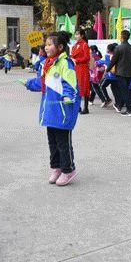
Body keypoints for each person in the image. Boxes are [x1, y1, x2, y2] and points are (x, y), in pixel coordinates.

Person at [37, 31, 80, 186]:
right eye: (46, 44)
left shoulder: (65, 63)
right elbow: (42, 83)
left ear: (60, 47)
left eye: (49, 44)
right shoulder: (48, 63)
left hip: (62, 110)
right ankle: (56, 167)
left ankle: (68, 169)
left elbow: (71, 83)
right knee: (52, 142)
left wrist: (68, 96)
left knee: (63, 142)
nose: (46, 47)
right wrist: (29, 84)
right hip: (50, 110)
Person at [105, 30, 131, 117]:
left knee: (124, 92)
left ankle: (129, 110)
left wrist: (107, 70)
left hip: (120, 73)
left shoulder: (118, 48)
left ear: (121, 37)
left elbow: (113, 61)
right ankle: (120, 106)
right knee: (125, 90)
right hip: (130, 73)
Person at [71, 29, 91, 114]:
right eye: (75, 34)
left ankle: (86, 108)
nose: (76, 36)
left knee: (84, 87)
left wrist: (77, 60)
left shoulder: (84, 45)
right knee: (76, 87)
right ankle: (77, 106)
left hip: (83, 68)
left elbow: (87, 57)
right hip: (76, 68)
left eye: (77, 34)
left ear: (82, 35)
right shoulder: (75, 45)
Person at [97, 43, 117, 108]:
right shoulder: (117, 56)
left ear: (108, 49)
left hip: (109, 76)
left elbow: (98, 62)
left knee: (101, 86)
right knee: (115, 89)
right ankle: (118, 102)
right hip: (116, 77)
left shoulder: (106, 56)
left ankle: (108, 99)